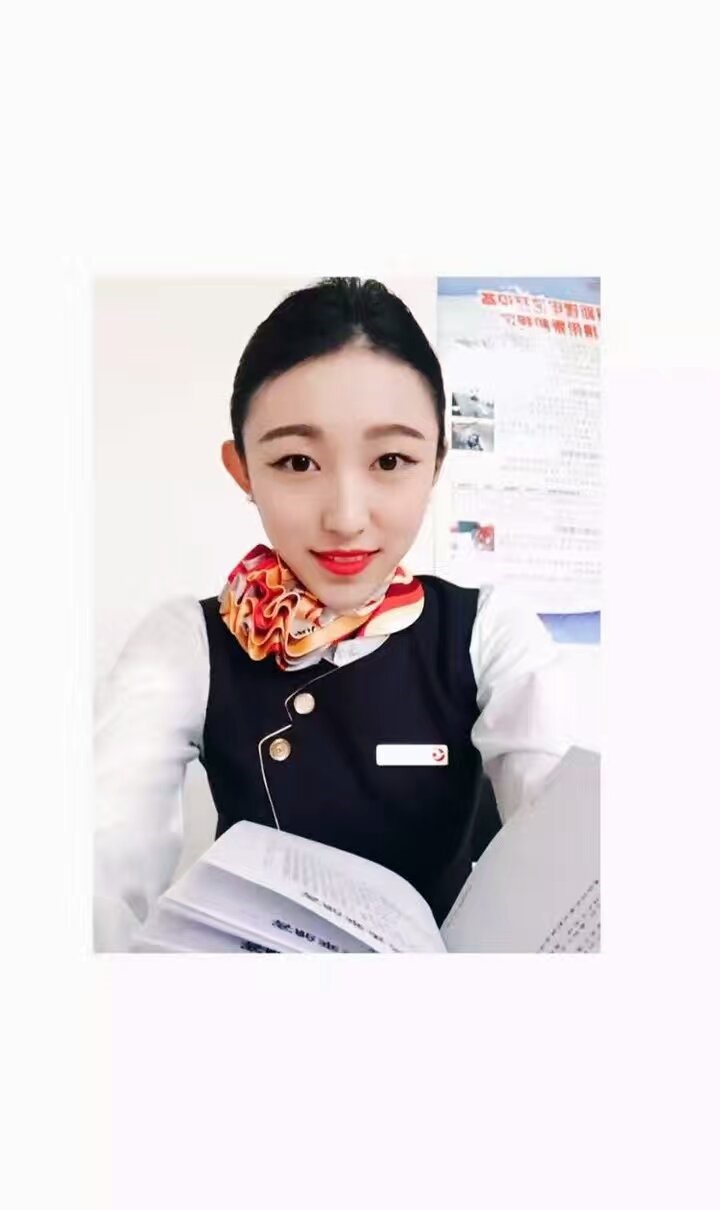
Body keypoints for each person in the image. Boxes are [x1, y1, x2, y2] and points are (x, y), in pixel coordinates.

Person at [94, 277, 571, 951]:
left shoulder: (490, 632)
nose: (346, 518)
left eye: (391, 460)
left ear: (436, 463)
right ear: (243, 471)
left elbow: (558, 832)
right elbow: (100, 867)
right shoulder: (185, 645)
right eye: (297, 461)